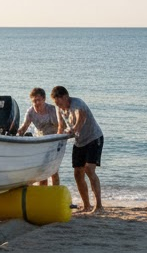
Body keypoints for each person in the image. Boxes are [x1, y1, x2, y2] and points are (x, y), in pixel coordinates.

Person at [51, 85, 103, 213]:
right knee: (77, 173)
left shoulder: (77, 103)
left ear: (65, 97)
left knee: (89, 170)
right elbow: (61, 126)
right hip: (79, 142)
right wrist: (58, 142)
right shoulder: (59, 108)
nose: (59, 106)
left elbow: (81, 117)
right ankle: (86, 206)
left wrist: (75, 129)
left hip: (94, 138)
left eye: (59, 102)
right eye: (56, 104)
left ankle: (99, 206)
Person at [16, 87, 61, 186]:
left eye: (38, 100)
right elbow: (24, 127)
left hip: (54, 142)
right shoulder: (31, 112)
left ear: (44, 99)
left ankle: (55, 193)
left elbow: (61, 127)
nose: (36, 103)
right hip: (41, 143)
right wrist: (16, 135)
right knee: (42, 172)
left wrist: (58, 142)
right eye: (34, 101)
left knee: (53, 171)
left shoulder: (52, 110)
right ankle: (43, 194)